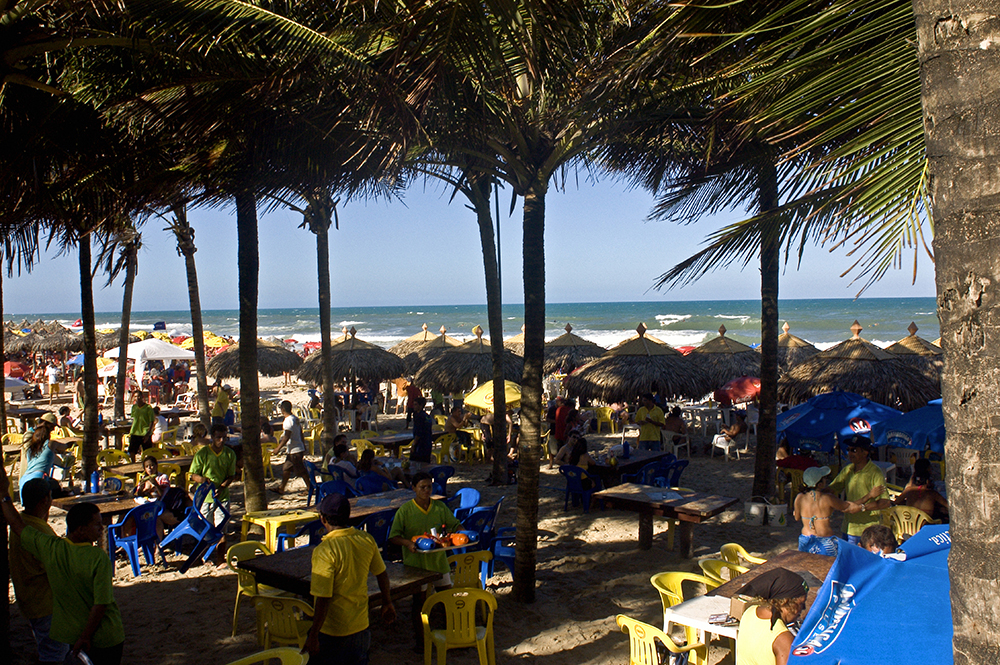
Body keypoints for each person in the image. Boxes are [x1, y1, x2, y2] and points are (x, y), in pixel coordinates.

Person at [0, 466, 125, 665]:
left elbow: (16, 524)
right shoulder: (96, 558)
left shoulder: (49, 544)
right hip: (99, 634)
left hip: (35, 606)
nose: (100, 529)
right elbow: (100, 605)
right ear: (82, 529)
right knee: (54, 657)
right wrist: (85, 636)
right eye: (96, 525)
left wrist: (4, 496)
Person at [304, 493, 395, 665]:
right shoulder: (366, 540)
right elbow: (382, 574)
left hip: (332, 630)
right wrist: (387, 601)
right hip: (360, 626)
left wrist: (314, 634)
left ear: (323, 519)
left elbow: (323, 598)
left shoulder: (325, 550)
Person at [387, 472, 463, 650]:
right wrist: (407, 543)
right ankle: (421, 642)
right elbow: (394, 537)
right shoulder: (405, 510)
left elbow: (454, 524)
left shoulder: (439, 507)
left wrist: (462, 532)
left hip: (438, 560)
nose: (426, 490)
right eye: (422, 487)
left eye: (429, 487)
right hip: (417, 564)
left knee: (447, 598)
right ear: (413, 488)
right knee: (420, 603)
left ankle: (454, 635)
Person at [8, 478, 69, 665]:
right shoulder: (37, 531)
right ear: (45, 500)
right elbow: (60, 567)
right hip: (46, 605)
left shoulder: (21, 522)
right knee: (53, 655)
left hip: (31, 601)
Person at [735, 568, 809, 665]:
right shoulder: (783, 639)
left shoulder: (749, 611)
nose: (803, 608)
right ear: (787, 602)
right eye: (801, 603)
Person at [827, 435, 891, 545]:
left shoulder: (875, 472)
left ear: (865, 452)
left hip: (866, 530)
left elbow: (885, 502)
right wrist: (812, 491)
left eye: (854, 450)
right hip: (847, 527)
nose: (850, 453)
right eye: (848, 450)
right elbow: (831, 489)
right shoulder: (848, 469)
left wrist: (862, 508)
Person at [188, 423, 237, 565]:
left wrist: (222, 487)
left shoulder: (229, 454)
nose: (221, 440)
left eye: (224, 437)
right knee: (205, 530)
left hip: (222, 497)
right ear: (212, 437)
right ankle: (204, 558)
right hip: (205, 498)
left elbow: (231, 475)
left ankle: (220, 559)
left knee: (221, 530)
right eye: (218, 437)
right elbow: (192, 474)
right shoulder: (202, 453)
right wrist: (203, 480)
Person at [793, 465, 863, 556]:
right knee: (827, 568)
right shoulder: (828, 498)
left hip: (806, 538)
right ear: (820, 484)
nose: (826, 480)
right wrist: (869, 497)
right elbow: (848, 507)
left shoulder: (799, 498)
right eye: (824, 478)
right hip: (825, 539)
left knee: (805, 567)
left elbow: (797, 518)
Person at [134, 456, 191, 540]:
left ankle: (158, 545)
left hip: (162, 507)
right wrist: (141, 489)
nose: (150, 468)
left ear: (156, 466)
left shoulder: (162, 477)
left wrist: (156, 484)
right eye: (147, 466)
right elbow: (138, 495)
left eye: (152, 465)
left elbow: (164, 494)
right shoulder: (143, 479)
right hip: (146, 505)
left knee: (154, 517)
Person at [20, 419, 72, 502]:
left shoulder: (31, 448)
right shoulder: (51, 444)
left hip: (24, 480)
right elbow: (65, 446)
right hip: (39, 479)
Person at [274, 400, 310, 495]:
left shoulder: (288, 421)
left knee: (300, 470)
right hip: (295, 448)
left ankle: (310, 487)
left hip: (295, 450)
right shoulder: (295, 418)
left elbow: (287, 436)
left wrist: (278, 448)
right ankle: (281, 487)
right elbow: (301, 432)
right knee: (286, 468)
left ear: (282, 410)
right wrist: (303, 444)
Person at [128, 391, 155, 460]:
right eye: (135, 396)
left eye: (139, 396)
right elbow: (134, 419)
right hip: (135, 431)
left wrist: (148, 433)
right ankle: (133, 464)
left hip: (145, 432)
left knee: (147, 451)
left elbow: (152, 421)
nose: (137, 398)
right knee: (132, 451)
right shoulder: (134, 407)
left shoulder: (148, 408)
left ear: (142, 397)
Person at [409, 396, 433, 464]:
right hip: (428, 443)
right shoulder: (427, 416)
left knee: (416, 463)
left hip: (421, 444)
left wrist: (414, 445)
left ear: (421, 405)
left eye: (416, 404)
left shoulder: (419, 417)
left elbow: (419, 432)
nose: (414, 406)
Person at [545, 396, 564, 468]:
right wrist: (556, 422)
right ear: (557, 402)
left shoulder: (563, 409)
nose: (562, 403)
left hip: (562, 430)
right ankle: (551, 464)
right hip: (554, 430)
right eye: (561, 402)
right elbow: (548, 419)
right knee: (552, 448)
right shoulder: (552, 409)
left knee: (562, 447)